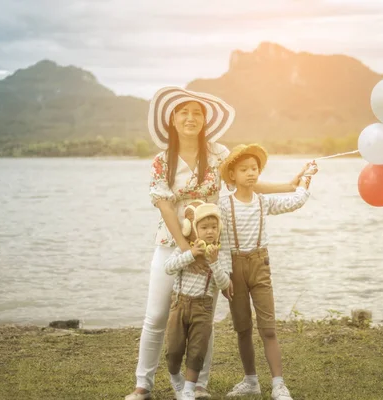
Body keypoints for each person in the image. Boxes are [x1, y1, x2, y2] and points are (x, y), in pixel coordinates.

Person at [126, 87, 312, 400]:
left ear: (205, 120)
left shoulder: (217, 153)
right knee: (157, 315)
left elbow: (244, 181)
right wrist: (187, 250)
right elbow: (165, 206)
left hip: (213, 245)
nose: (190, 118)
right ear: (172, 119)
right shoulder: (161, 161)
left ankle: (198, 385)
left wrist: (288, 184)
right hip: (172, 244)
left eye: (197, 112)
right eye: (183, 112)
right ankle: (143, 385)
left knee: (203, 316)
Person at [216, 144, 315, 400]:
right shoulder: (224, 205)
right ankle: (251, 381)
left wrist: (306, 179)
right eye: (244, 169)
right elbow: (223, 243)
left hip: (261, 267)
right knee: (243, 328)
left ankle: (278, 385)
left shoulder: (264, 202)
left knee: (268, 328)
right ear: (232, 176)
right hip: (235, 269)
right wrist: (225, 275)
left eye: (254, 169)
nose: (251, 173)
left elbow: (295, 201)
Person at [164, 201, 231, 400]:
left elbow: (224, 283)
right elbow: (169, 268)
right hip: (179, 305)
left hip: (203, 308)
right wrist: (191, 255)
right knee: (174, 349)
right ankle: (176, 377)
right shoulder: (186, 250)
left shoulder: (220, 255)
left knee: (197, 351)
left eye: (214, 227)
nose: (210, 232)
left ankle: (188, 390)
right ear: (195, 229)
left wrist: (215, 262)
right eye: (204, 227)